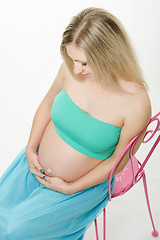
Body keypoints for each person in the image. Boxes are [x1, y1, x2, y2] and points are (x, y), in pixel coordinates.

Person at [0, 7, 151, 240]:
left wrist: (71, 188)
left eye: (84, 63)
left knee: (15, 231)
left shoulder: (136, 103)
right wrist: (31, 148)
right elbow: (48, 103)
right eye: (72, 59)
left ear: (110, 55)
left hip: (78, 188)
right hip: (32, 166)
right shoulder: (70, 69)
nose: (76, 70)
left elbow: (117, 162)